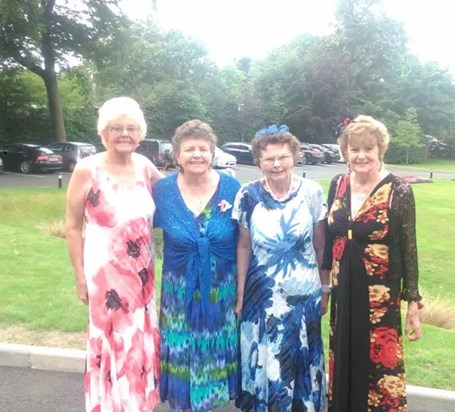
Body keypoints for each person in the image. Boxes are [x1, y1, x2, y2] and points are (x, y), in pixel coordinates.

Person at [66, 97, 162, 412]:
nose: (124, 133)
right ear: (104, 132)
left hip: (142, 277)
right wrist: (80, 278)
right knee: (111, 341)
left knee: (138, 339)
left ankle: (138, 404)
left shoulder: (146, 168)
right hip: (104, 278)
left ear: (140, 133)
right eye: (116, 127)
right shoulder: (86, 169)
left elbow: (176, 201)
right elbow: (71, 226)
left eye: (131, 128)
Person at [322, 115, 423, 412]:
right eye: (354, 149)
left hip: (379, 295)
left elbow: (409, 249)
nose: (361, 155)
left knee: (379, 362)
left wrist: (413, 302)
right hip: (343, 291)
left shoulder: (398, 190)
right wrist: (325, 288)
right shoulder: (337, 184)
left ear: (380, 150)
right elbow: (329, 242)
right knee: (343, 355)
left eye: (369, 149)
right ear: (345, 152)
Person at [232, 124, 329, 411]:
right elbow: (244, 246)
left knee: (298, 361)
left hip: (303, 298)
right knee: (267, 361)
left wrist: (325, 289)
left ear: (294, 157)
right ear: (259, 161)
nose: (276, 164)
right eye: (269, 158)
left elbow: (321, 247)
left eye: (283, 157)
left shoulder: (311, 192)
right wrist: (240, 293)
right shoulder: (247, 196)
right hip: (261, 297)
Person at [152, 119, 240, 412]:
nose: (197, 154)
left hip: (221, 288)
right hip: (179, 291)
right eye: (189, 149)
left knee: (215, 346)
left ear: (213, 154)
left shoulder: (231, 187)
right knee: (183, 347)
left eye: (204, 148)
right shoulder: (162, 191)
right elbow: (136, 229)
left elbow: (246, 240)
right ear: (177, 155)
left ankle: (212, 404)